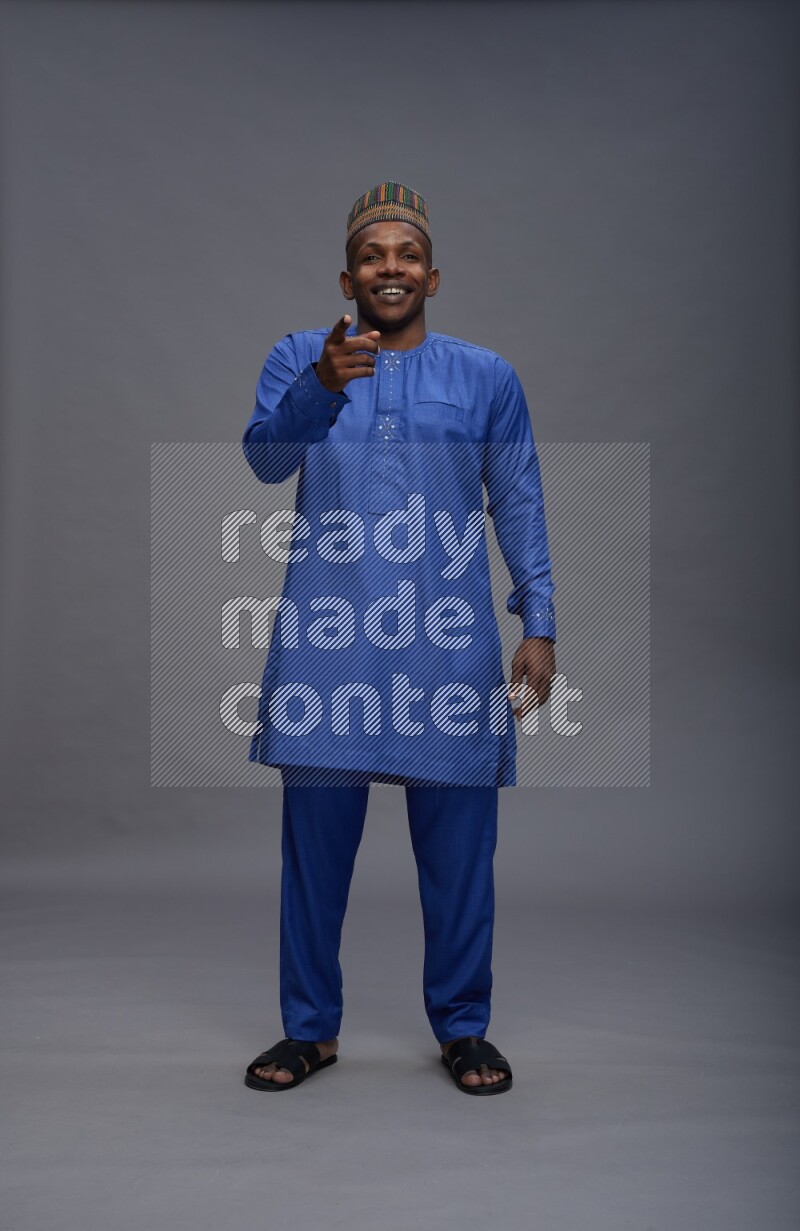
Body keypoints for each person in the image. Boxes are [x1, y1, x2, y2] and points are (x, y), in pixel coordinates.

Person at [240, 182, 557, 1095]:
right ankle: (310, 1030)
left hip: (445, 638)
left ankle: (464, 1028)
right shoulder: (303, 356)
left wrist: (539, 620)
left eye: (406, 255)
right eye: (374, 255)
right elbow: (264, 460)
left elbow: (520, 498)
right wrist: (320, 390)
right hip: (328, 638)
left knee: (460, 852)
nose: (391, 267)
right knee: (314, 849)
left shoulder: (485, 376)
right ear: (348, 276)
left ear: (433, 275)